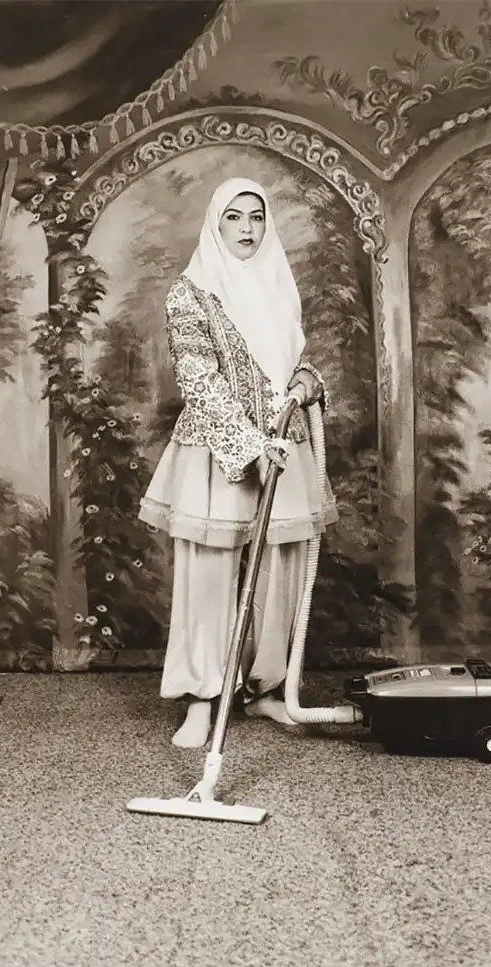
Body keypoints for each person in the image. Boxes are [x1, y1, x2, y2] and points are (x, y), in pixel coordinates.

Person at [138, 176, 337, 748]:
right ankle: (203, 698)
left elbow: (296, 362)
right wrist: (251, 448)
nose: (247, 228)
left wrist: (308, 380)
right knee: (209, 575)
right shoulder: (191, 292)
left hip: (285, 442)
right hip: (218, 448)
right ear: (216, 223)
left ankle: (266, 688)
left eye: (256, 216)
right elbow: (198, 379)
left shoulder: (278, 283)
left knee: (280, 569)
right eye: (234, 216)